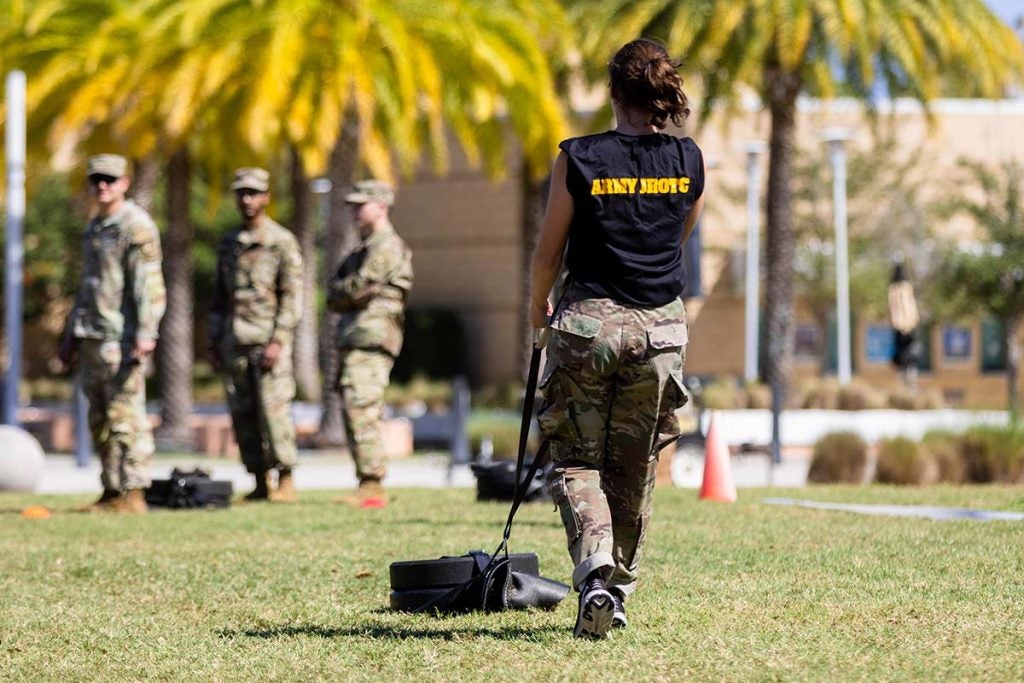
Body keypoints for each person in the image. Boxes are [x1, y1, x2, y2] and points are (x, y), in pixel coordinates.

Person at [529, 38, 706, 639]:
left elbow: (550, 249)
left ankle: (595, 568)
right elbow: (680, 235)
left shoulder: (578, 157)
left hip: (588, 324)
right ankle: (615, 587)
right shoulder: (688, 160)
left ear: (613, 91)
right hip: (660, 329)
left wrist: (536, 306)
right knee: (634, 467)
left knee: (576, 460)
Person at [58, 154, 166, 514]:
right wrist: (71, 334)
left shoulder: (134, 225)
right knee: (99, 417)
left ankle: (133, 491)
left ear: (124, 182)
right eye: (95, 180)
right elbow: (87, 287)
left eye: (109, 179)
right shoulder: (95, 226)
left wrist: (146, 333)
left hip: (122, 339)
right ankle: (111, 490)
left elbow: (147, 285)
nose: (101, 186)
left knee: (126, 416)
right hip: (92, 334)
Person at [208, 168, 303, 502]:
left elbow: (292, 296)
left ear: (266, 197)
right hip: (235, 342)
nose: (247, 199)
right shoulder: (229, 244)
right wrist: (215, 339)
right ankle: (260, 480)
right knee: (244, 417)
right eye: (242, 193)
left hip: (268, 343)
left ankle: (286, 479)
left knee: (274, 414)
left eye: (253, 193)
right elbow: (220, 298)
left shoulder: (281, 242)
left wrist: (278, 340)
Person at [328, 180, 413, 509]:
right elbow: (335, 294)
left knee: (362, 407)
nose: (353, 211)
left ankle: (373, 484)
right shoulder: (361, 251)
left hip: (373, 337)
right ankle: (366, 481)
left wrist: (347, 293)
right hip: (357, 336)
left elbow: (354, 288)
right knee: (354, 406)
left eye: (359, 204)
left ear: (381, 206)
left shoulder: (387, 247)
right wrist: (346, 293)